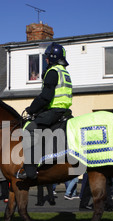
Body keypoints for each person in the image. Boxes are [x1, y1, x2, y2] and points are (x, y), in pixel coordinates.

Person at [18, 42, 73, 180]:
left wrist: (31, 109)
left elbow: (46, 97)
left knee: (30, 129)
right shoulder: (65, 72)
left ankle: (29, 170)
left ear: (53, 57)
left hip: (54, 111)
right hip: (65, 111)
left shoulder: (53, 71)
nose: (46, 60)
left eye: (47, 57)